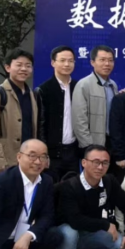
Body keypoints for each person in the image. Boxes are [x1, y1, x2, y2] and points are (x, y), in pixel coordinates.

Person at [54, 145, 125, 249]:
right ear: (84, 163)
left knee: (121, 247)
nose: (100, 167)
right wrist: (105, 225)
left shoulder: (109, 181)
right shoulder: (69, 186)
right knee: (69, 234)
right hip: (71, 229)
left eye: (105, 163)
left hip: (92, 231)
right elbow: (75, 220)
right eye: (95, 162)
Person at [0, 48, 40, 174]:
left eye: (28, 66)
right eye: (19, 65)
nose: (24, 69)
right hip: (6, 161)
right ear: (8, 67)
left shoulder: (32, 94)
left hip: (27, 160)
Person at [35, 46, 78, 182]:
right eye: (62, 60)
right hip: (51, 153)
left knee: (72, 189)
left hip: (73, 151)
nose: (67, 64)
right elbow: (40, 124)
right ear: (53, 63)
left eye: (70, 61)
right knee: (50, 188)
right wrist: (43, 153)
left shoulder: (79, 87)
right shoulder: (43, 90)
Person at [72, 45, 118, 154]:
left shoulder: (113, 85)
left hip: (111, 142)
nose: (107, 64)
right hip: (92, 145)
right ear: (92, 62)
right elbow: (79, 120)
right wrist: (88, 146)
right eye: (102, 60)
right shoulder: (84, 84)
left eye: (110, 60)